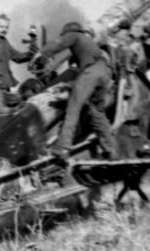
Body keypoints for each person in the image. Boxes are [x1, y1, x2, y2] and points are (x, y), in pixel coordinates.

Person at [34, 22, 117, 159]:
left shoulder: (74, 35)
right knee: (97, 111)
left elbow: (58, 44)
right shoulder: (91, 46)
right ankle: (111, 149)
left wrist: (41, 53)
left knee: (74, 106)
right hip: (105, 73)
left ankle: (62, 147)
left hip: (92, 71)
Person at [0, 14, 36, 117]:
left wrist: (30, 55)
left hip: (5, 86)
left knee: (10, 114)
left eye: (6, 27)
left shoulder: (5, 43)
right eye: (1, 27)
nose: (4, 30)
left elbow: (17, 57)